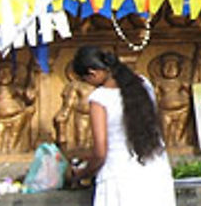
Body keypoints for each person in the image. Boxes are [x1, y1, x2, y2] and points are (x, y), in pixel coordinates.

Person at [68, 46, 176, 206]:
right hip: (156, 174)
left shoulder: (100, 98)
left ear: (93, 73)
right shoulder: (144, 84)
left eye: (86, 80)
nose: (89, 85)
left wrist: (80, 174)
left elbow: (100, 153)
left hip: (120, 178)